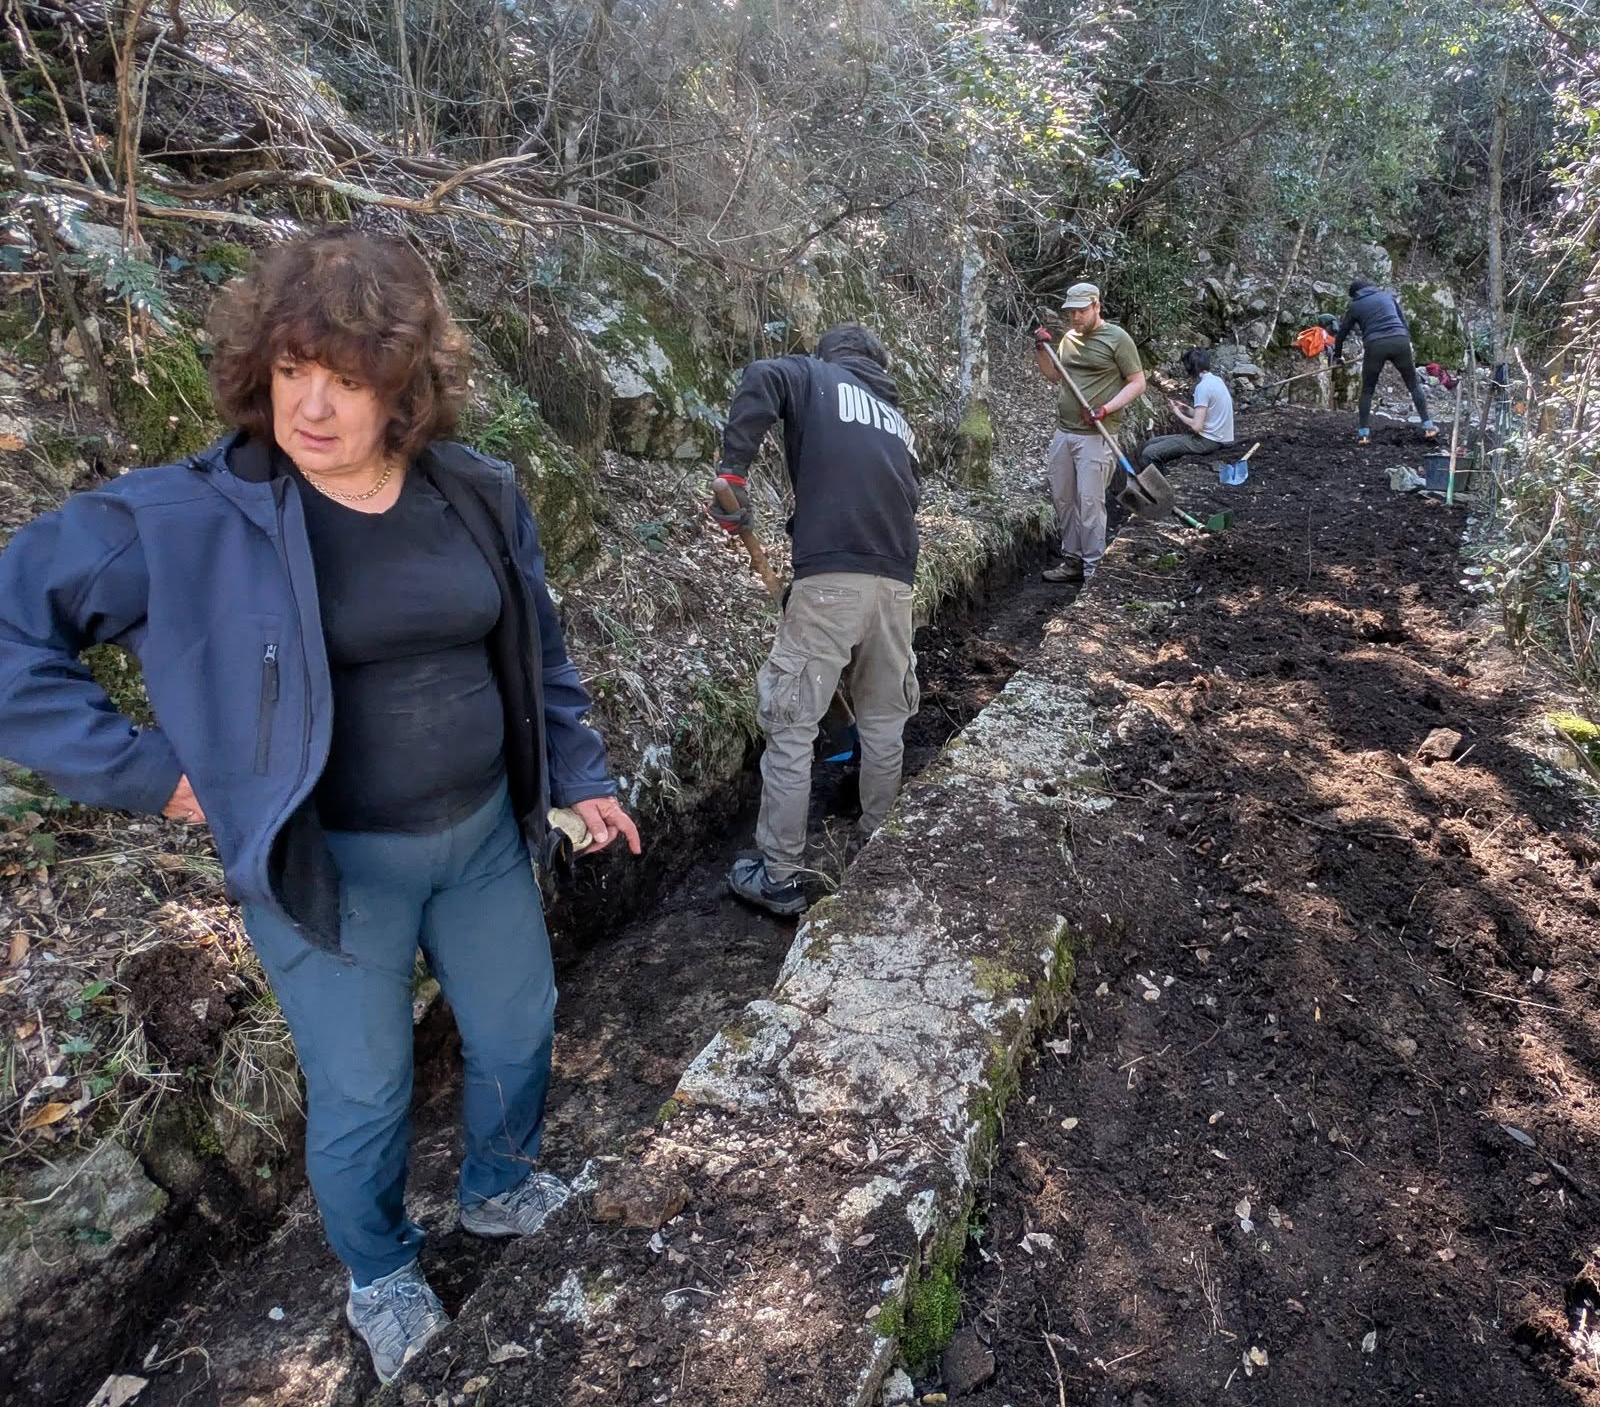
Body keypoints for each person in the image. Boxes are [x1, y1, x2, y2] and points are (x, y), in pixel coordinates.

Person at [0, 229, 641, 1386]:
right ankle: (381, 1271)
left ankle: (499, 1191)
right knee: (365, 1088)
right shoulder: (186, 520)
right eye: (295, 369)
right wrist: (148, 772)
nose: (313, 404)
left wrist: (580, 772)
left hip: (484, 835)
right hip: (328, 868)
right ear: (261, 365)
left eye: (349, 379)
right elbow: (11, 632)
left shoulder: (478, 493)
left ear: (406, 388)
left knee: (514, 1029)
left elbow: (536, 649)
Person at [710, 323, 921, 918]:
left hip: (831, 579)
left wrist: (733, 469)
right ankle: (880, 849)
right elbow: (908, 498)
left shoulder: (814, 376)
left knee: (792, 722)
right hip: (897, 583)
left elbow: (761, 375)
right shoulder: (899, 425)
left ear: (834, 356)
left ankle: (778, 872)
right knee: (884, 719)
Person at [1032, 281, 1146, 583]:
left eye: (1082, 311)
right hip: (1064, 432)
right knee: (1063, 498)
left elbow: (1137, 382)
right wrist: (1042, 349)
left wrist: (1106, 408)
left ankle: (1094, 570)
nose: (1076, 318)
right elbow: (1053, 375)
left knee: (1090, 500)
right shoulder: (1069, 339)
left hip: (1097, 435)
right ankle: (1073, 560)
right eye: (1072, 312)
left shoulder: (1117, 339)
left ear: (1097, 306)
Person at [1334, 278, 1439, 444]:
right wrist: (1406, 341)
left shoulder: (1355, 306)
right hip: (1400, 340)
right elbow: (1403, 321)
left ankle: (1363, 434)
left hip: (1375, 345)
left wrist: (1338, 356)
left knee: (1367, 390)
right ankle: (1429, 426)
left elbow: (1342, 333)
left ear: (1355, 294)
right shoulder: (1387, 296)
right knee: (1413, 385)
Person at [1141, 349, 1234, 468]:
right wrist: (1186, 409)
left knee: (1149, 453)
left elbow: (1196, 426)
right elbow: (1209, 413)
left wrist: (1178, 413)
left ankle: (1160, 484)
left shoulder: (1203, 387)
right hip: (1218, 437)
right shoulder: (1217, 381)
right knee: (1149, 443)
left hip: (1208, 441)